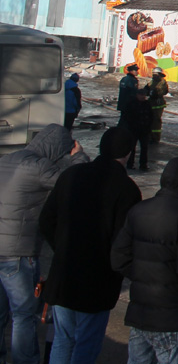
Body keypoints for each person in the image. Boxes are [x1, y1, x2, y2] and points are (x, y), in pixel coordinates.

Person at [39, 127, 142, 364]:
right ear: (128, 153)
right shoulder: (126, 190)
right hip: (97, 281)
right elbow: (124, 242)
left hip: (64, 275)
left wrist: (63, 247)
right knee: (86, 342)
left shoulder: (72, 175)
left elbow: (46, 220)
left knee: (63, 340)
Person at [0, 124, 88, 364]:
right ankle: (24, 360)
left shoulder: (8, 158)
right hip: (18, 253)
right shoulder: (40, 167)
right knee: (23, 314)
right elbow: (73, 183)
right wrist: (78, 157)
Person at [111, 157, 178, 364]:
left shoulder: (139, 210)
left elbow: (118, 257)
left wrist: (143, 276)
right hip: (171, 313)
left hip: (140, 309)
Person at [117, 65, 151, 171]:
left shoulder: (123, 79)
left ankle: (130, 163)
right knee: (136, 145)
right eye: (136, 70)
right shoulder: (132, 81)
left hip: (123, 105)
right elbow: (133, 93)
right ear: (132, 71)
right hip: (134, 119)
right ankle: (137, 164)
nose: (137, 72)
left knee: (123, 124)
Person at [146, 67, 169, 144]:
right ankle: (149, 136)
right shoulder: (152, 82)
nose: (154, 76)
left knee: (156, 121)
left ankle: (155, 137)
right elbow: (147, 89)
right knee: (149, 120)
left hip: (158, 104)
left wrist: (154, 93)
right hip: (150, 103)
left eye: (155, 74)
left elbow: (162, 91)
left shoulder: (162, 83)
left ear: (159, 75)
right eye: (153, 74)